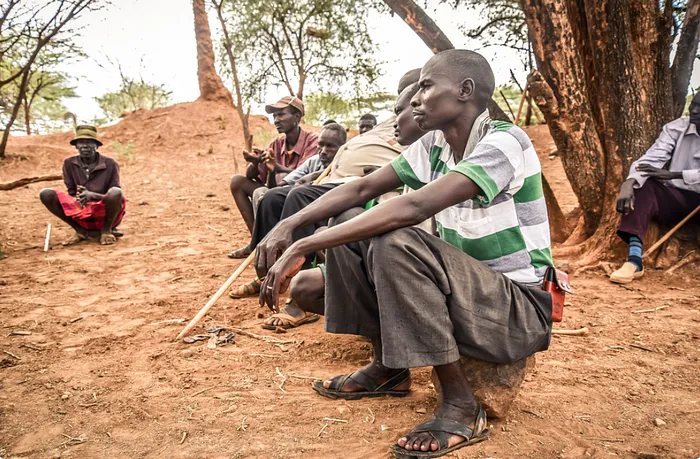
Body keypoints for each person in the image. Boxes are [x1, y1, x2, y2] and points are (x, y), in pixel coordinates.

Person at [254, 50, 553, 458]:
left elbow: (415, 208)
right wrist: (288, 224)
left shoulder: (504, 142)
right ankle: (388, 368)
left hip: (515, 311)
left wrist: (306, 244)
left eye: (427, 86)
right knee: (349, 222)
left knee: (395, 239)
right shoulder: (434, 145)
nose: (415, 98)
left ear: (465, 91)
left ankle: (462, 405)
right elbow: (360, 189)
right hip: (466, 296)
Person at [229, 68, 423, 300]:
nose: (277, 119)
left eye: (282, 114)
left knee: (299, 196)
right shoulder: (394, 121)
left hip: (358, 182)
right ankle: (269, 269)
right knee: (271, 197)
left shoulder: (421, 124)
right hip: (333, 179)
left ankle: (299, 277)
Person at [611, 93, 700, 283]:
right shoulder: (677, 127)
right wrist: (629, 183)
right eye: (693, 104)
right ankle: (634, 260)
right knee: (643, 185)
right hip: (677, 198)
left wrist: (675, 174)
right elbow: (651, 160)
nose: (694, 110)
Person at [227, 123, 347, 265]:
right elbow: (284, 185)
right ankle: (264, 252)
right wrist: (271, 170)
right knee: (269, 197)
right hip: (297, 203)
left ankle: (296, 264)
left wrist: (312, 177)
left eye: (330, 146)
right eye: (321, 146)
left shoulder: (345, 161)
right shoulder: (312, 161)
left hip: (325, 212)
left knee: (297, 196)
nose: (323, 151)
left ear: (343, 148)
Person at [228, 96, 318, 242]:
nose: (276, 120)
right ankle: (257, 242)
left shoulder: (313, 141)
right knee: (237, 181)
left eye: (281, 114)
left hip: (298, 195)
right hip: (275, 191)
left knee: (261, 192)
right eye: (275, 116)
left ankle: (269, 243)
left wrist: (276, 168)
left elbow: (306, 174)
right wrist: (256, 163)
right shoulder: (277, 143)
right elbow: (252, 176)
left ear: (297, 117)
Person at [39, 125, 125, 246]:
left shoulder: (109, 163)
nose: (85, 146)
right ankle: (80, 230)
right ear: (76, 146)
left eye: (89, 142)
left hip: (104, 208)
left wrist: (92, 195)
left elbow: (116, 194)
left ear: (97, 145)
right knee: (46, 193)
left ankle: (106, 230)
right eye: (81, 142)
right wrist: (81, 198)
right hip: (81, 209)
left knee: (116, 192)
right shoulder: (69, 163)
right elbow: (71, 191)